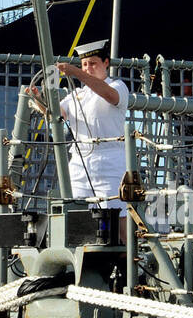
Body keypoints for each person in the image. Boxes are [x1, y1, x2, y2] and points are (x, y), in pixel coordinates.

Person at [30, 40, 130, 205]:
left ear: (106, 63)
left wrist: (76, 72)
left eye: (93, 64)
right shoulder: (77, 94)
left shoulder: (118, 86)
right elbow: (56, 115)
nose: (88, 68)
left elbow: (110, 95)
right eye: (84, 64)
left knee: (114, 217)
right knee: (76, 215)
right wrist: (39, 100)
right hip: (80, 162)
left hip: (109, 161)